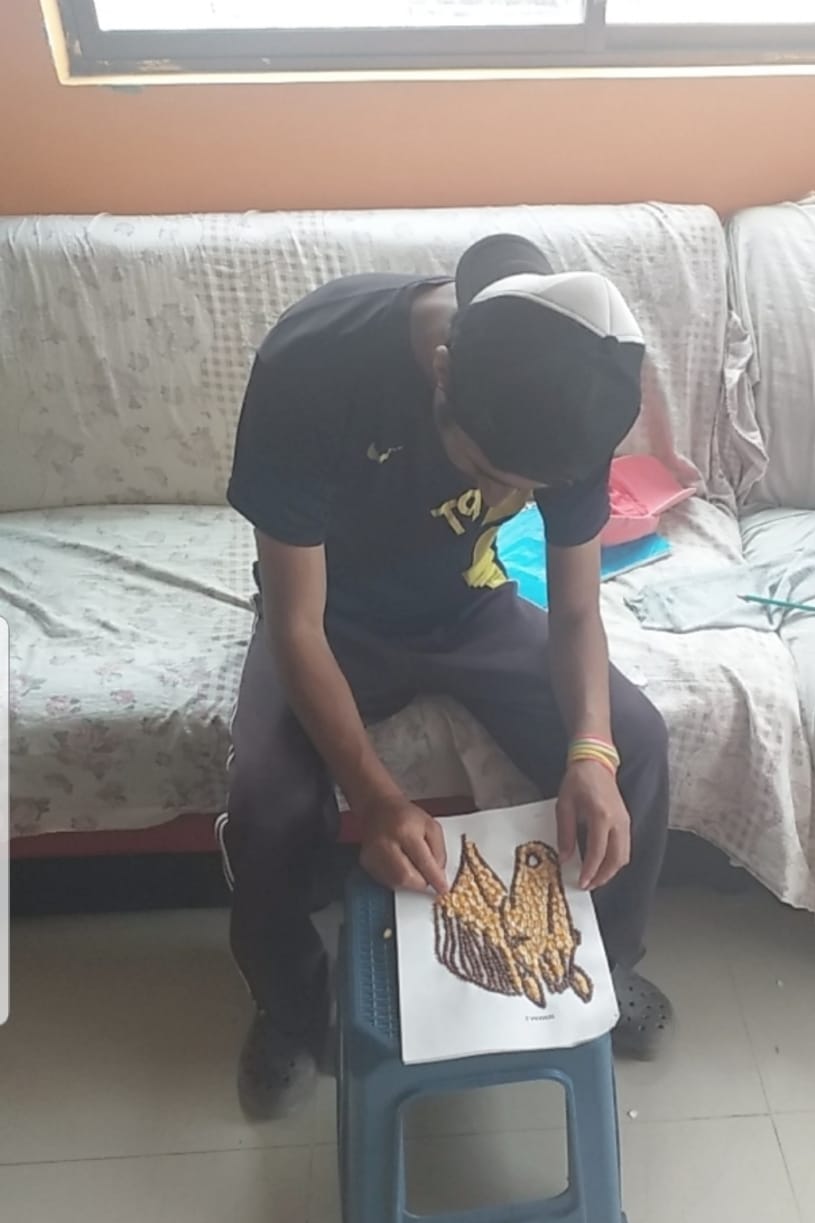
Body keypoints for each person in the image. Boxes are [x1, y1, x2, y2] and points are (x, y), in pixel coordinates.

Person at [221, 234, 671, 1120]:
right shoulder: (312, 366)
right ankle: (288, 1006)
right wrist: (379, 800)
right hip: (330, 615)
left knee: (636, 742)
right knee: (266, 796)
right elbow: (296, 624)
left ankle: (607, 965)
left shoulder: (577, 383)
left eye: (526, 489)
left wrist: (590, 752)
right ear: (439, 370)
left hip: (468, 604)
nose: (502, 498)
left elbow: (575, 610)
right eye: (486, 473)